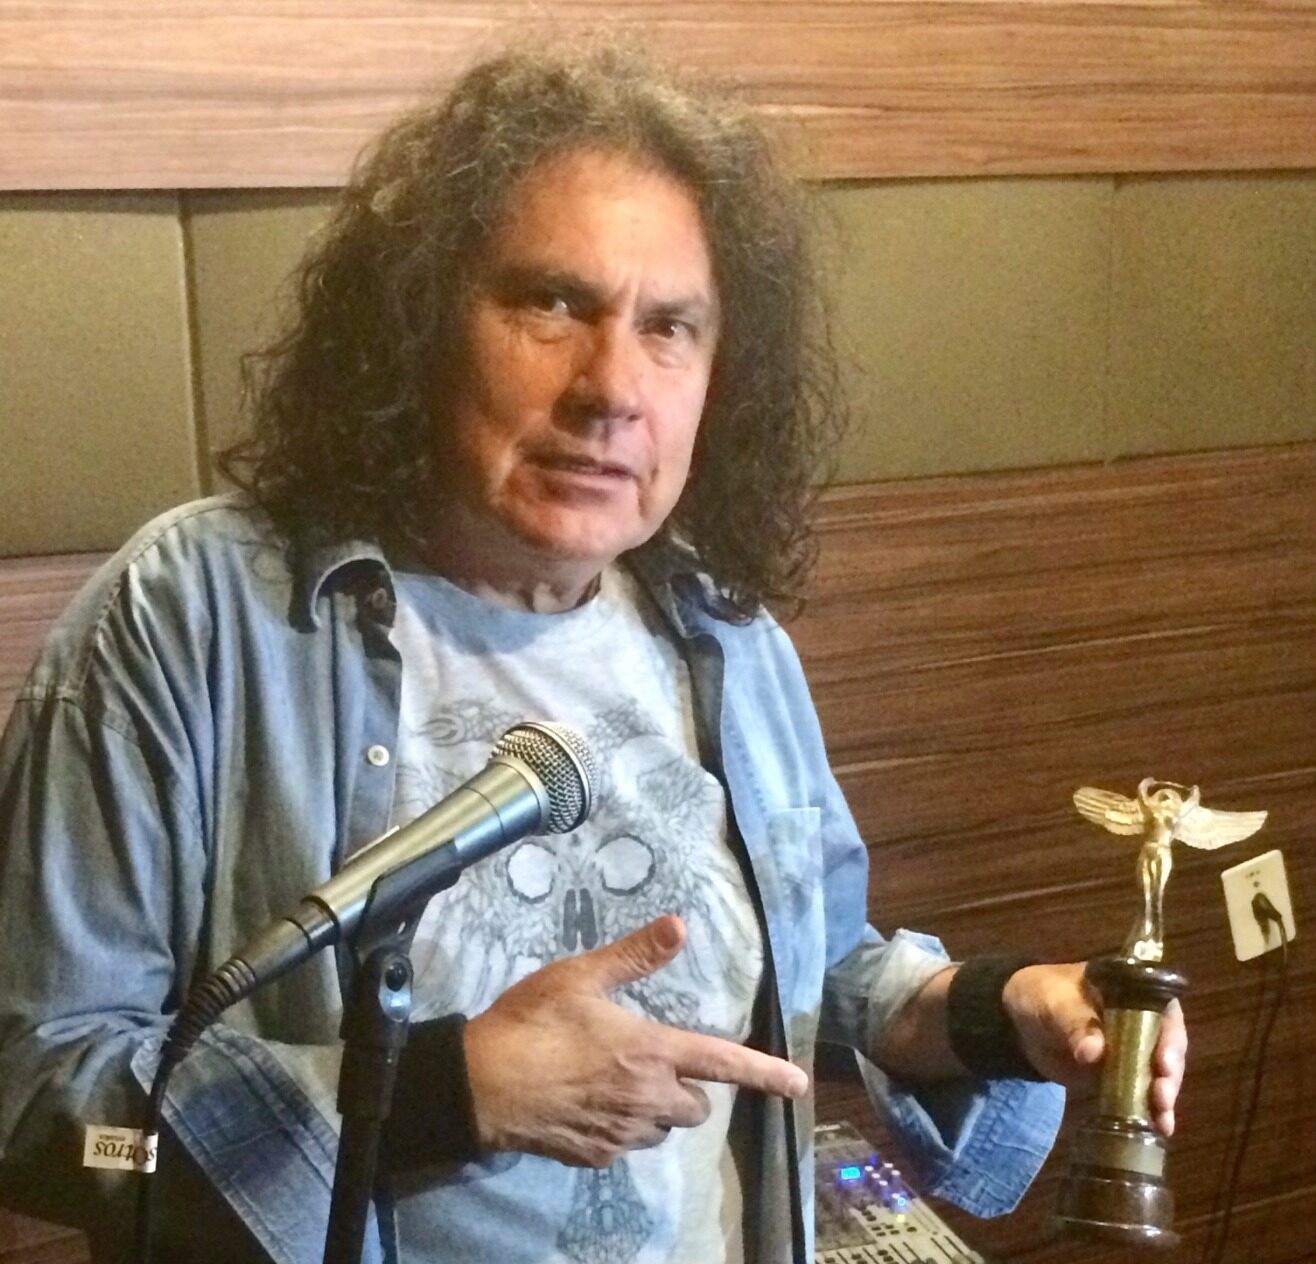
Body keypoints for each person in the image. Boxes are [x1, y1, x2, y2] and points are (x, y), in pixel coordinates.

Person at [0, 40, 1185, 1264]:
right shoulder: (195, 616)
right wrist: (442, 1094)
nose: (610, 386)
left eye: (668, 326)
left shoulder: (722, 633)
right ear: (417, 322)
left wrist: (998, 1011)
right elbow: (35, 1099)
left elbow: (810, 973)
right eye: (551, 303)